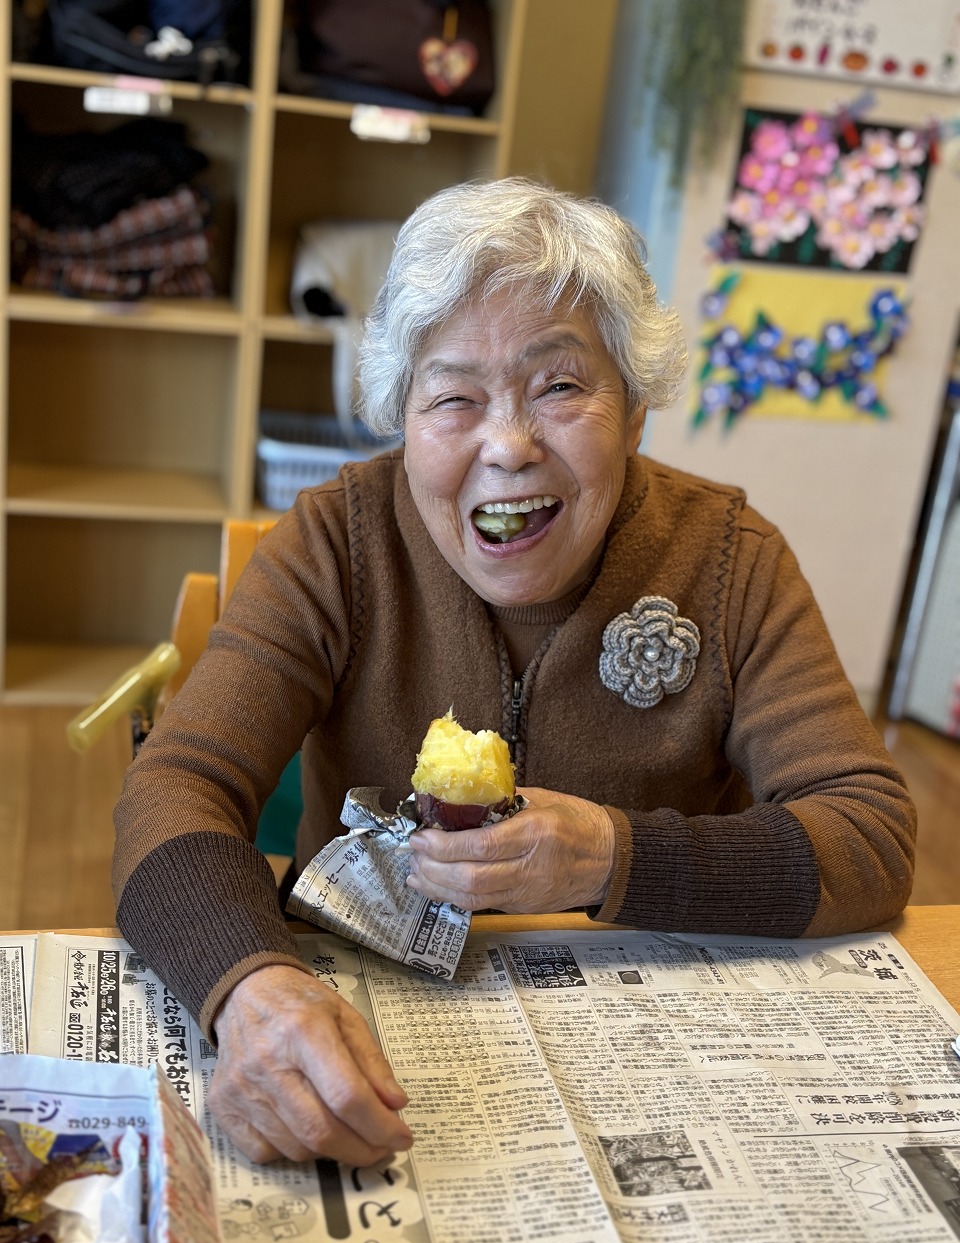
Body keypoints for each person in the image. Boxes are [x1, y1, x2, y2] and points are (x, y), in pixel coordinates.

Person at [112, 176, 916, 1169]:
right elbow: (177, 782)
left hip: (648, 1049)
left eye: (560, 387)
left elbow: (869, 834)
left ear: (634, 409)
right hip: (372, 1038)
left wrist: (610, 857)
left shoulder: (729, 561)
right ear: (402, 416)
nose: (508, 446)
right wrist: (251, 988)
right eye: (454, 397)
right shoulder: (336, 544)